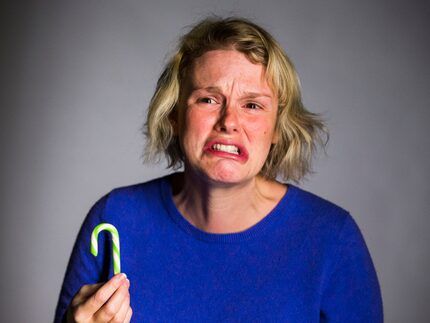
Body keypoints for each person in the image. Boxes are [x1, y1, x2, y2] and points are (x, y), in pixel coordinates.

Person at [55, 17, 383, 322]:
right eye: (209, 99)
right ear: (174, 115)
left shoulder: (332, 240)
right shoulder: (115, 219)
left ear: (278, 128)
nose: (228, 122)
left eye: (252, 105)